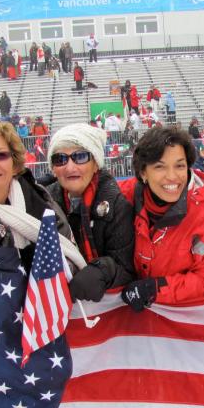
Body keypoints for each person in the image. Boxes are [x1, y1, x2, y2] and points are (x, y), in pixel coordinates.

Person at [118, 126, 204, 310]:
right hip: (139, 328)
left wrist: (155, 289)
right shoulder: (126, 195)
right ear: (143, 173)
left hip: (186, 324)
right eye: (160, 166)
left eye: (180, 165)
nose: (172, 177)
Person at [0, 117, 76, 272]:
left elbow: (69, 265)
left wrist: (8, 245)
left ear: (14, 165)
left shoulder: (41, 202)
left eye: (0, 155)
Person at [45, 124, 135, 302]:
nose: (70, 167)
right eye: (60, 159)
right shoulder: (42, 201)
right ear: (53, 169)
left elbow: (128, 269)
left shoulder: (116, 205)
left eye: (80, 156)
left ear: (96, 164)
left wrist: (104, 271)